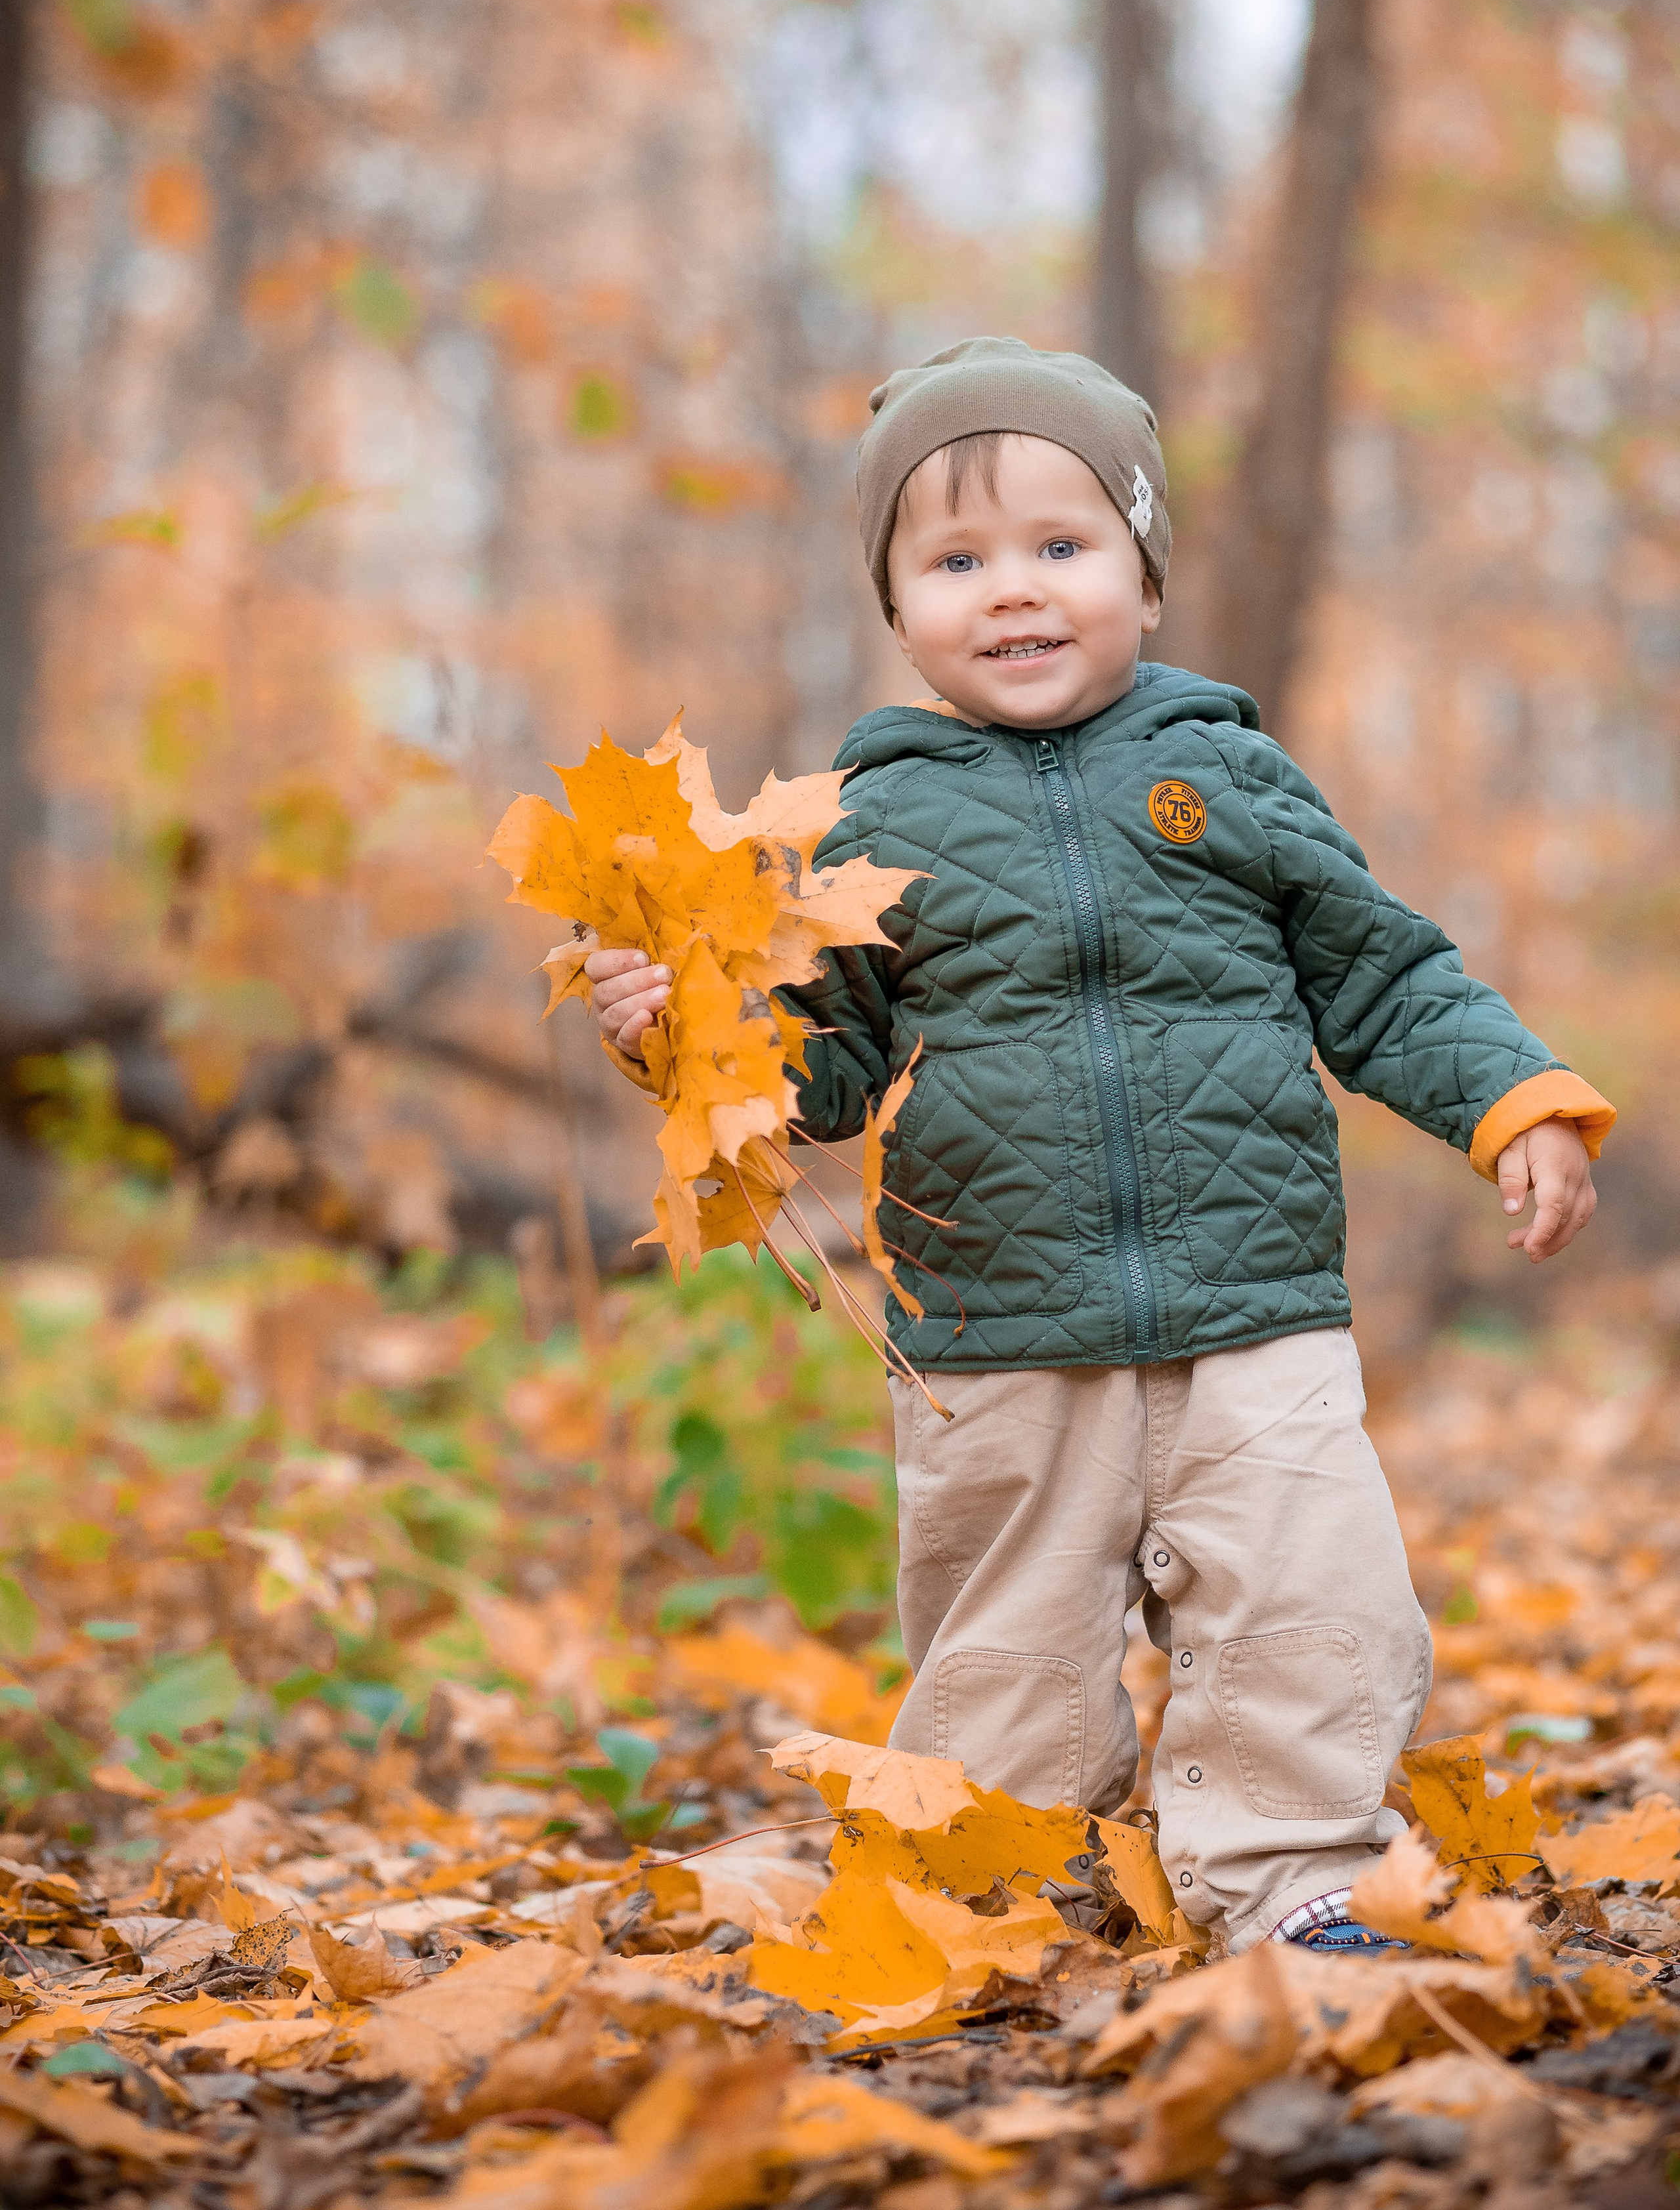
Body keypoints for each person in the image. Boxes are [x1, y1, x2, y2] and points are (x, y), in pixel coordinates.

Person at [585, 337, 1614, 1956]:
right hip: (995, 1331)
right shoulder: (861, 827)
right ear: (895, 605)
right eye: (954, 561)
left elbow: (1382, 975)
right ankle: (1007, 1893)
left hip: (1254, 1304)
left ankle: (1289, 1876)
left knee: (1310, 1604)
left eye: (1059, 545)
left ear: (1141, 574)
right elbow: (819, 1075)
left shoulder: (1231, 775)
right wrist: (678, 1033)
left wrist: (1515, 1098)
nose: (1011, 588)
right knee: (1004, 1652)